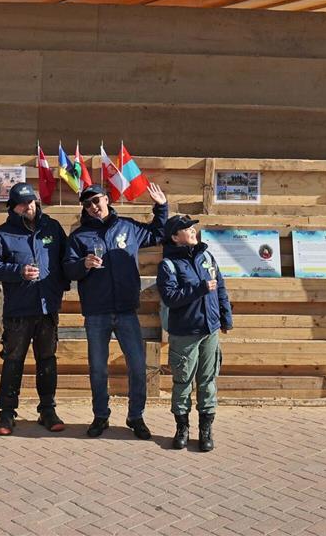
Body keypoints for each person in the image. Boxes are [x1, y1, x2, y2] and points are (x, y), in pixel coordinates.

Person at [64, 182, 168, 440]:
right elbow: (67, 269)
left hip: (126, 311)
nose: (93, 206)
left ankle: (136, 416)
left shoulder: (128, 227)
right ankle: (101, 416)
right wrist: (83, 264)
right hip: (96, 312)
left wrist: (161, 207)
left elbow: (158, 233)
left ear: (107, 199)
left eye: (96, 200)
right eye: (87, 204)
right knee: (98, 368)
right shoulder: (79, 236)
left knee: (137, 365)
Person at [0, 183, 70, 436]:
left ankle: (47, 410)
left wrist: (60, 287)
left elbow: (66, 260)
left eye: (31, 201)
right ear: (13, 207)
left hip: (47, 308)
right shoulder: (2, 234)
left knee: (47, 360)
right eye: (22, 203)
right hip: (18, 310)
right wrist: (17, 271)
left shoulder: (52, 227)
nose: (28, 206)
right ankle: (7, 413)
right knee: (13, 360)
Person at [157, 215, 233, 452]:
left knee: (207, 381)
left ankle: (205, 430)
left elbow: (220, 287)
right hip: (185, 332)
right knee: (183, 382)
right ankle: (182, 429)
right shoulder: (168, 265)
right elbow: (170, 297)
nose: (192, 230)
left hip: (210, 329)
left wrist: (225, 317)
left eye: (192, 227)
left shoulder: (207, 256)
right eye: (186, 228)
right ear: (174, 237)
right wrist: (199, 289)